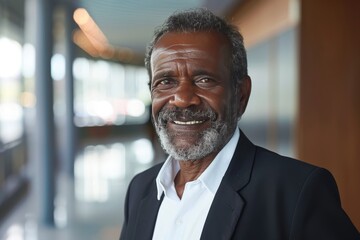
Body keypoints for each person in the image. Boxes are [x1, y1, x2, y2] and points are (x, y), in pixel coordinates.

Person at [119, 8, 359, 240]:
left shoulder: (297, 192)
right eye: (165, 81)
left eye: (204, 80)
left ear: (241, 94)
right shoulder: (140, 189)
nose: (182, 100)